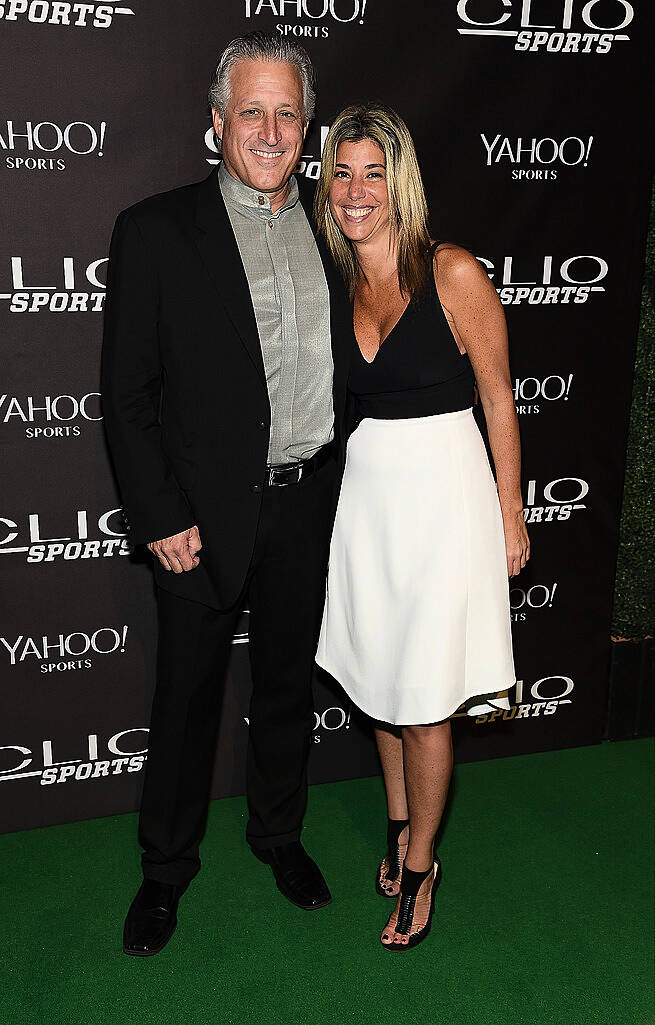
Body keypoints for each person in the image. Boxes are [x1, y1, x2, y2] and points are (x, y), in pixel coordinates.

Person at [101, 32, 352, 957]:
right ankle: (164, 871)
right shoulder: (155, 230)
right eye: (252, 109)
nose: (270, 128)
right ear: (216, 124)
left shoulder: (338, 227)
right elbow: (126, 395)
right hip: (199, 518)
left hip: (307, 502)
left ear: (306, 126)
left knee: (286, 686)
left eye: (287, 111)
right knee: (186, 702)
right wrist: (160, 514)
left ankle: (279, 837)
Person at [314, 104, 530, 951]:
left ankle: (421, 866)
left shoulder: (451, 272)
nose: (356, 190)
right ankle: (400, 823)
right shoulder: (336, 277)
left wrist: (510, 510)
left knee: (426, 700)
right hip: (369, 498)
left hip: (445, 498)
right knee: (380, 680)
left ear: (399, 182)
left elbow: (499, 395)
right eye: (342, 171)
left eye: (373, 172)